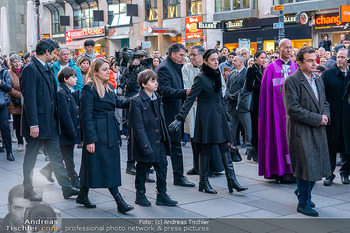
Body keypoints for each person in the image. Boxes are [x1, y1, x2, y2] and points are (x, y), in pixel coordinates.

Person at [169, 49, 247, 194]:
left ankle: (232, 181)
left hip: (219, 117)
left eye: (217, 59)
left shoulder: (217, 74)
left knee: (225, 148)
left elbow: (221, 98)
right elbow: (190, 98)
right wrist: (180, 118)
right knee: (205, 150)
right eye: (213, 59)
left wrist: (226, 116)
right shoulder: (201, 78)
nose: (216, 62)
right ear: (205, 61)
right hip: (206, 118)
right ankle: (203, 182)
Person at [20, 38, 80, 201]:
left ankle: (67, 188)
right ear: (47, 52)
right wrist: (33, 124)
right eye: (54, 52)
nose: (56, 55)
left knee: (56, 157)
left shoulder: (45, 67)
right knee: (30, 159)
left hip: (50, 123)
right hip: (37, 124)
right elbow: (29, 98)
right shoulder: (30, 69)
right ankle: (28, 189)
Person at [78, 57, 134, 213]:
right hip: (97, 132)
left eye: (108, 68)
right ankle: (119, 201)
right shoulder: (88, 89)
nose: (108, 71)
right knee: (103, 165)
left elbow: (119, 103)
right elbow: (86, 117)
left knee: (96, 165)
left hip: (110, 130)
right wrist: (90, 140)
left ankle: (82, 195)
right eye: (104, 69)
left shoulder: (108, 86)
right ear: (95, 71)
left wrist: (137, 97)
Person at [283, 47, 331, 217]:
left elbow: (324, 102)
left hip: (317, 128)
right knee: (305, 166)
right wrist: (317, 118)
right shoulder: (292, 81)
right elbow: (293, 109)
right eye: (310, 60)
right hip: (300, 130)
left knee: (315, 164)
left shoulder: (318, 79)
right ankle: (303, 203)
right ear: (299, 63)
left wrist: (325, 115)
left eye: (315, 59)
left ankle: (303, 193)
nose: (314, 63)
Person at [129, 70, 177, 207]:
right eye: (152, 81)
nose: (156, 83)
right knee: (142, 169)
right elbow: (138, 127)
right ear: (144, 84)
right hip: (145, 141)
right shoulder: (136, 101)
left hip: (159, 140)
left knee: (162, 167)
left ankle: (162, 194)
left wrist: (165, 138)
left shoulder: (157, 98)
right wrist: (144, 145)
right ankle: (140, 195)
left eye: (156, 80)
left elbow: (161, 120)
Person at [259, 38, 298, 183]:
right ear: (279, 49)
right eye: (285, 47)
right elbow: (265, 94)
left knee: (292, 142)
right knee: (278, 139)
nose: (288, 50)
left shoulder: (295, 68)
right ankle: (279, 171)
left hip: (292, 112)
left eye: (290, 47)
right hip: (276, 113)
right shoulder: (270, 68)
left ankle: (292, 171)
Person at [155, 43, 195, 187]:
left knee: (171, 146)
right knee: (173, 147)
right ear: (173, 54)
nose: (184, 58)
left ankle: (178, 176)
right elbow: (165, 90)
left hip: (174, 111)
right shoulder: (164, 68)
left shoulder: (175, 66)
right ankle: (178, 176)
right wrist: (185, 92)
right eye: (182, 55)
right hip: (168, 113)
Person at [39, 67, 82, 188]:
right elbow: (65, 115)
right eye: (73, 77)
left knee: (65, 154)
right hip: (65, 131)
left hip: (70, 129)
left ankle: (47, 170)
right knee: (68, 156)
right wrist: (72, 131)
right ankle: (73, 178)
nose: (76, 79)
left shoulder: (70, 90)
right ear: (65, 79)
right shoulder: (61, 92)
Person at [322, 48, 350, 186]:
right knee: (330, 147)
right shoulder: (327, 74)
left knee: (347, 147)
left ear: (348, 59)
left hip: (348, 118)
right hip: (332, 117)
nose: (339, 59)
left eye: (343, 57)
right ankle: (329, 175)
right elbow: (322, 96)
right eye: (338, 57)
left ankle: (345, 174)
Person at [181, 45, 204, 176]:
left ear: (202, 55)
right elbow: (186, 87)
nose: (191, 57)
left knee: (206, 138)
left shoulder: (208, 67)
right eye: (191, 54)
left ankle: (207, 166)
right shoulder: (186, 68)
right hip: (193, 106)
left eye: (194, 54)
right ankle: (197, 165)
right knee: (194, 138)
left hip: (206, 107)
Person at [226, 55, 252, 151]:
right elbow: (226, 86)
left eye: (235, 61)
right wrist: (228, 95)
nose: (232, 62)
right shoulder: (231, 74)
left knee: (247, 127)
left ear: (241, 62)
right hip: (231, 105)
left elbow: (245, 88)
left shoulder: (247, 73)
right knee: (231, 127)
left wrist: (234, 96)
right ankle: (231, 145)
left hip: (242, 104)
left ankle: (249, 147)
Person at [245, 50, 267, 162]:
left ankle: (257, 150)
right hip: (256, 101)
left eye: (265, 58)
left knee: (261, 125)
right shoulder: (251, 70)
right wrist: (263, 86)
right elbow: (249, 87)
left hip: (264, 100)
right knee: (255, 125)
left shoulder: (264, 69)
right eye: (262, 58)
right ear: (256, 58)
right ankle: (254, 150)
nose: (264, 60)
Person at [8, 54, 24, 152]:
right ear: (11, 63)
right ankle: (20, 142)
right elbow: (9, 88)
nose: (17, 63)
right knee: (18, 124)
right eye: (15, 62)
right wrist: (21, 95)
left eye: (18, 61)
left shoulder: (25, 70)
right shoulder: (9, 73)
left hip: (27, 100)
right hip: (16, 102)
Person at [0, 59, 14, 161]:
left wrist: (0, 82)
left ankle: (9, 152)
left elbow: (9, 88)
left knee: (5, 127)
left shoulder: (4, 72)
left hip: (2, 104)